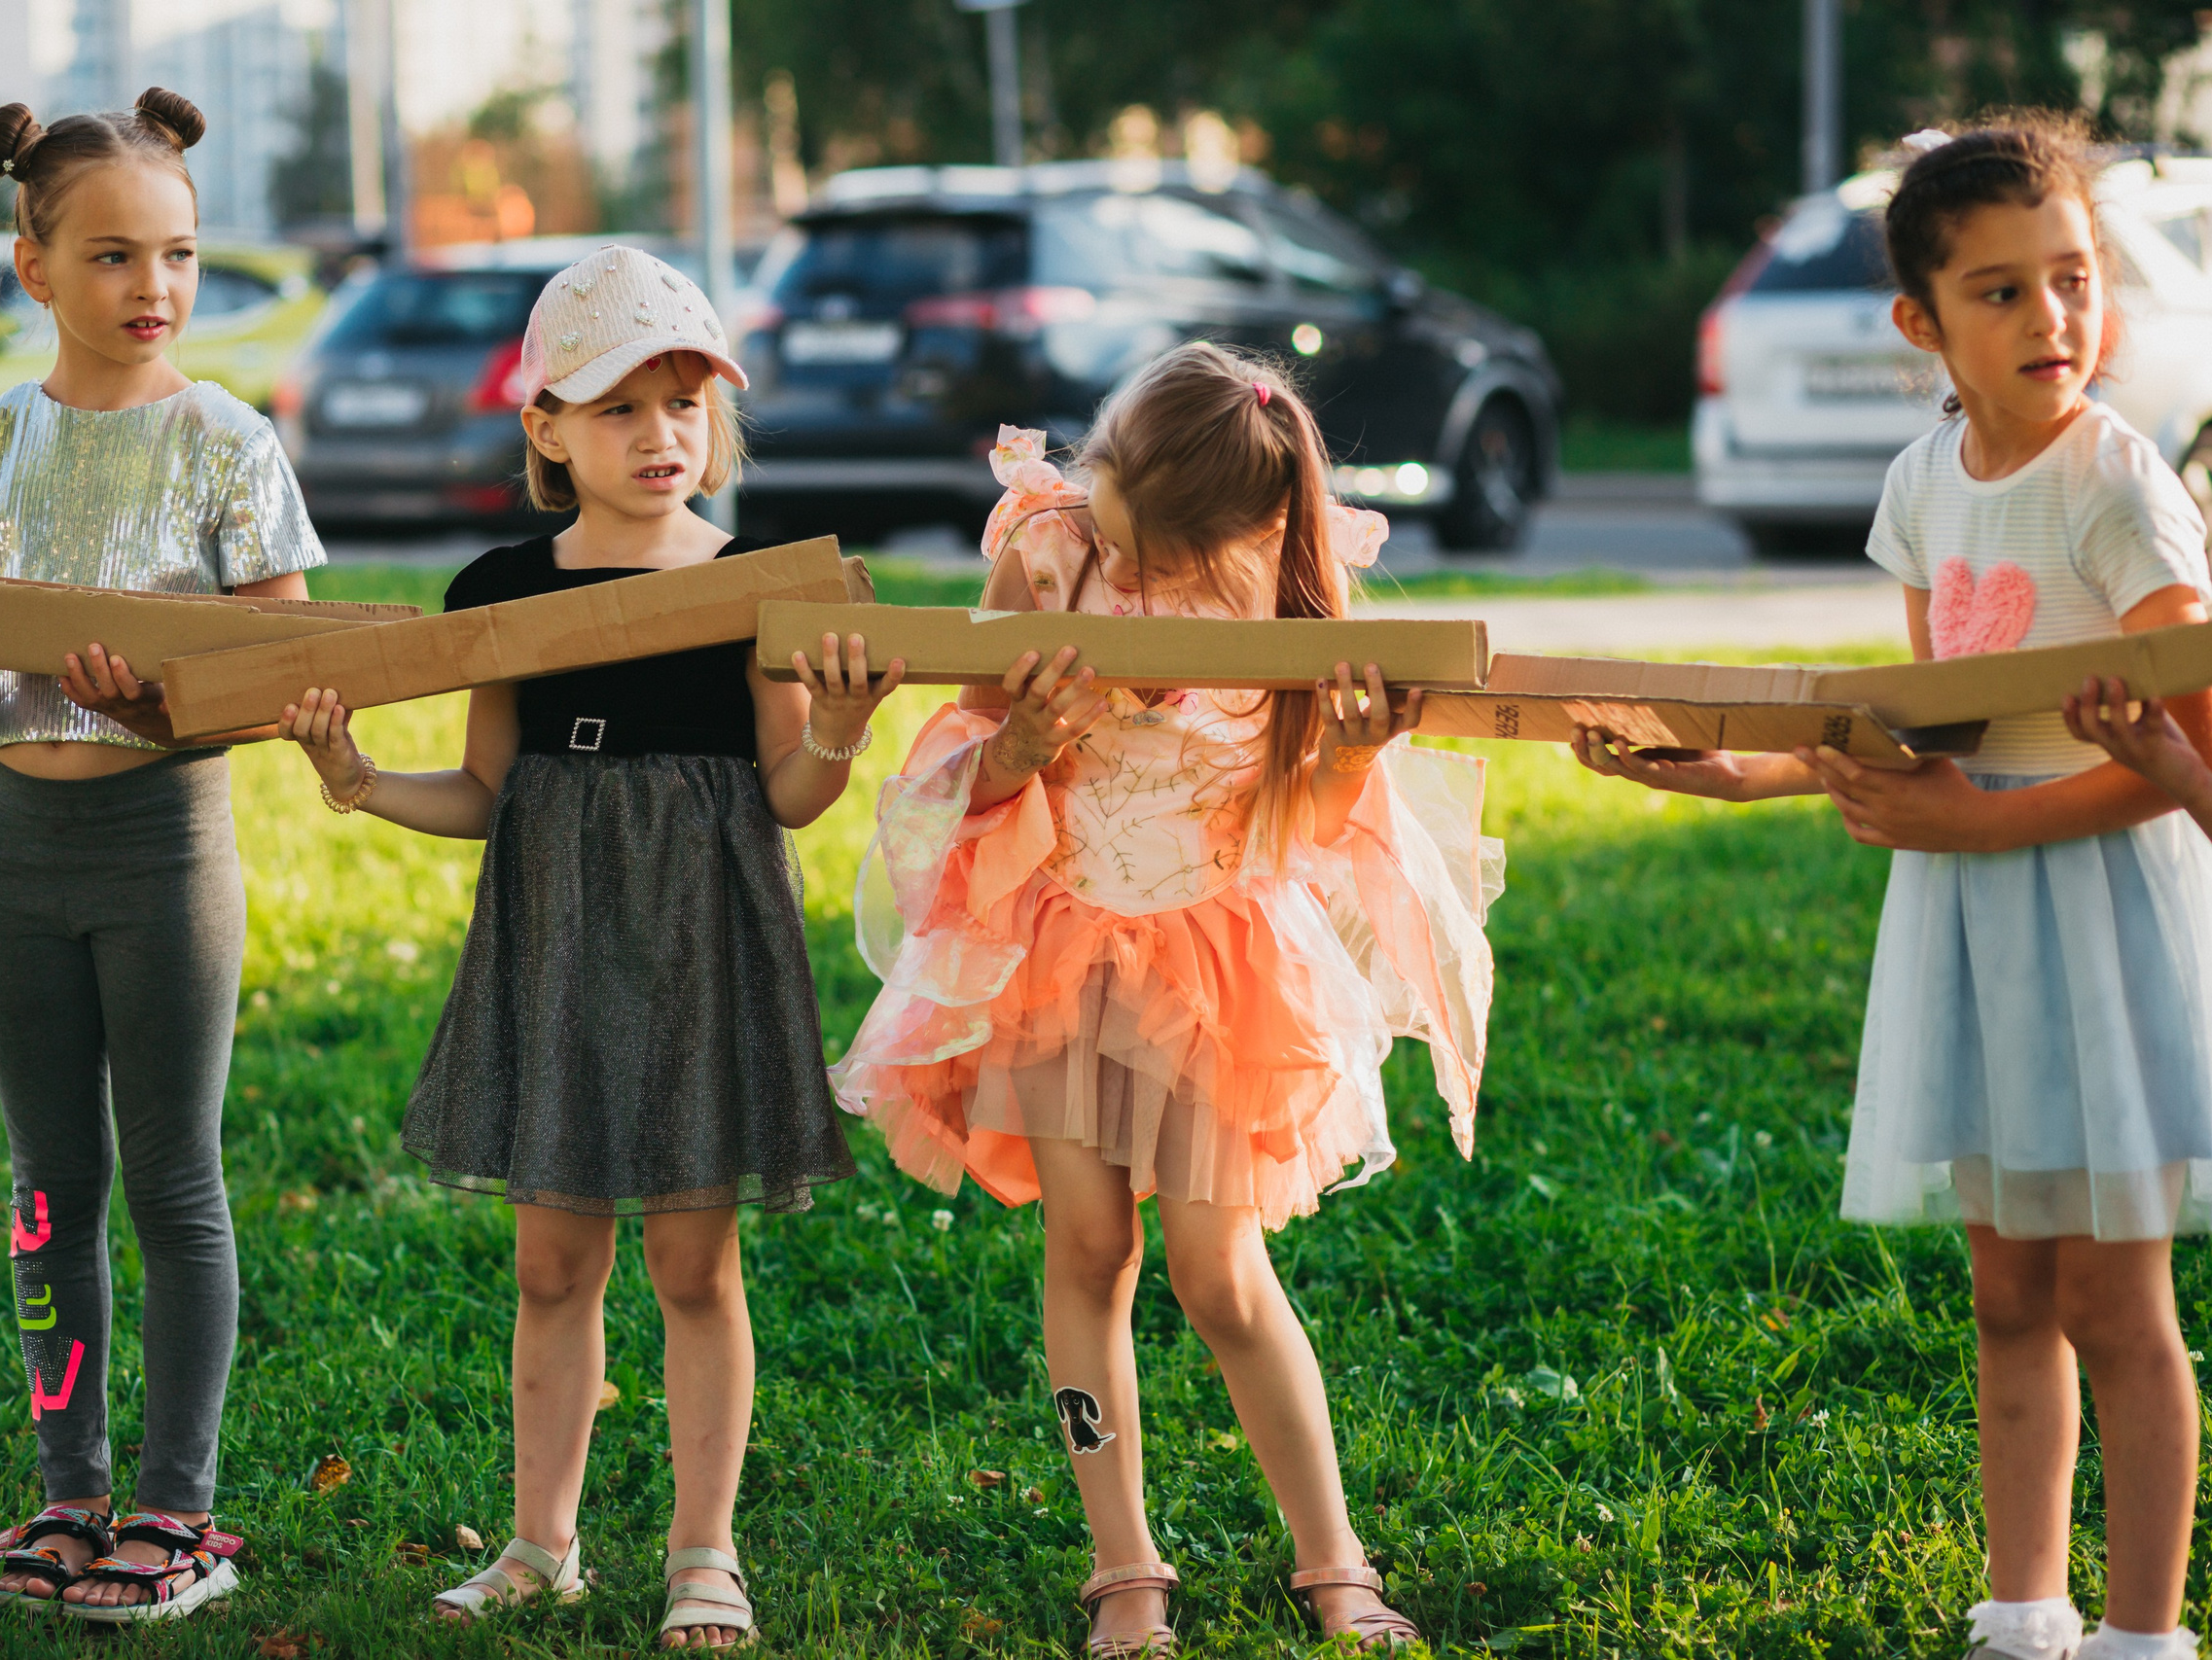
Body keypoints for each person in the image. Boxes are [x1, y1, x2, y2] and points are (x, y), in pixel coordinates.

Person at [1572, 118, 2212, 1660]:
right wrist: (1744, 772)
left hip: (2096, 900)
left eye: (2074, 281)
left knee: (2115, 1305)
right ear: (1920, 321)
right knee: (2009, 1295)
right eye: (2001, 293)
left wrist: (1990, 826)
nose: (2053, 319)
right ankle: (2024, 1607)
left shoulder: (2117, 488)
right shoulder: (1925, 484)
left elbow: (2188, 743)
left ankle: (2141, 1635)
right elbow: (1928, 729)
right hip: (1970, 918)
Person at [275, 245, 900, 1649]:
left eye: (686, 404)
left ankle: (702, 1551)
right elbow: (490, 795)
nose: (662, 435)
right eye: (621, 408)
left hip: (699, 941)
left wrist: (845, 732)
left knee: (694, 1263)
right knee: (552, 1265)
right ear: (547, 428)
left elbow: (788, 792)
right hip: (554, 943)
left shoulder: (757, 588)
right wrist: (359, 780)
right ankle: (541, 1543)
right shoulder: (502, 589)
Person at [833, 344, 1501, 1654]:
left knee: (1219, 1272)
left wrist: (1358, 749)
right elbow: (964, 744)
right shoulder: (1045, 545)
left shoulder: (1286, 598)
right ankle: (1124, 1564)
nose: (1102, 507)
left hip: (1217, 960)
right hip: (1062, 953)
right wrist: (1022, 745)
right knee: (1087, 1251)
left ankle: (1334, 1559)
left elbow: (1296, 819)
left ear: (1227, 534)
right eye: (1104, 465)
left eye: (1135, 510)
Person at [0, 90, 323, 1621]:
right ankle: (68, 1487)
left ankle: (174, 1507)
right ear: (33, 267)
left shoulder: (226, 445)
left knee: (171, 1184)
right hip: (13, 849)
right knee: (44, 1185)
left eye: (181, 256)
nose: (153, 289)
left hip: (161, 850)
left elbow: (279, 667)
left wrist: (160, 693)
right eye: (111, 258)